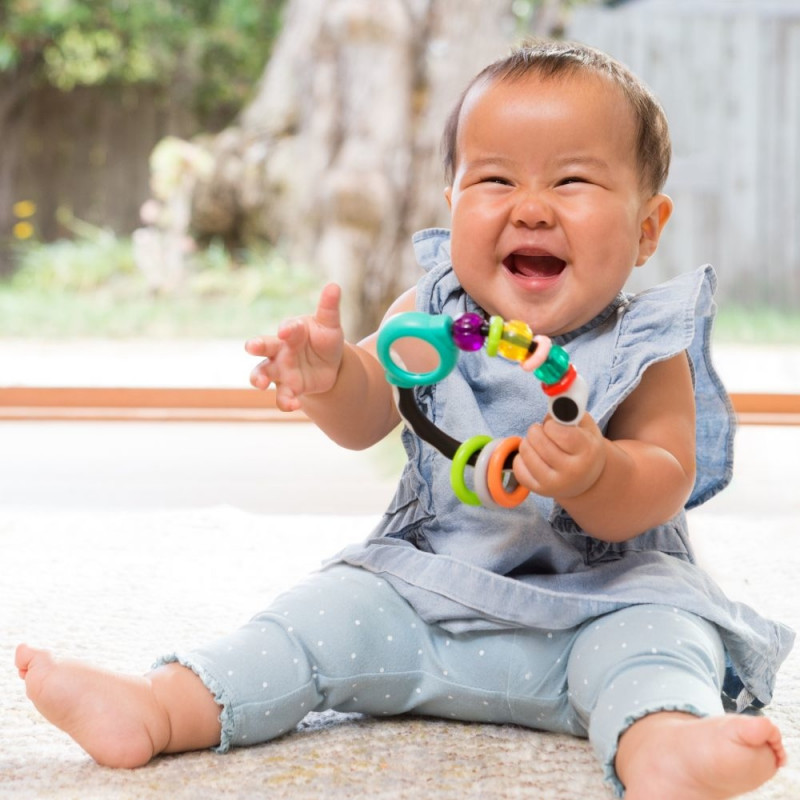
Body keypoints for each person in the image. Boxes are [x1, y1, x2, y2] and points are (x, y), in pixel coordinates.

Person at [16, 40, 794, 800]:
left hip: (604, 607)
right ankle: (160, 707)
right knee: (316, 615)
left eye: (571, 181)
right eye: (495, 179)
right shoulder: (428, 314)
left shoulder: (645, 346)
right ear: (452, 202)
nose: (530, 209)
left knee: (663, 649)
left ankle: (664, 747)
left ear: (647, 227)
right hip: (424, 601)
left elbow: (664, 478)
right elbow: (368, 414)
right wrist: (330, 379)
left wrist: (598, 473)